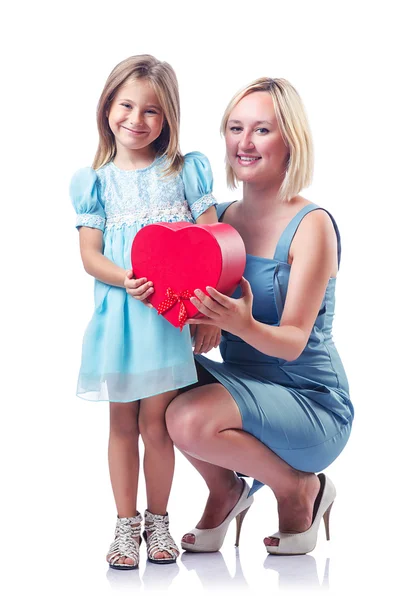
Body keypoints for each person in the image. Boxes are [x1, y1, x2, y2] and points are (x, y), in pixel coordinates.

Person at [164, 77, 355, 556]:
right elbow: (188, 309)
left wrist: (239, 324)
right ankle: (228, 489)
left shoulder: (312, 226)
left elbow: (292, 341)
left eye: (262, 130)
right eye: (235, 128)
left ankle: (299, 488)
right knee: (152, 377)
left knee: (188, 419)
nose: (244, 143)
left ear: (290, 140)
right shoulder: (218, 220)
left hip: (311, 403)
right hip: (241, 390)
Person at [69, 54, 219, 569]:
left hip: (166, 318)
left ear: (169, 118)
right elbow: (90, 255)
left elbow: (213, 242)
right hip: (119, 317)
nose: (136, 119)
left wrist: (207, 314)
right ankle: (124, 524)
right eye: (126, 105)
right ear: (107, 105)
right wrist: (124, 279)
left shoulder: (184, 170)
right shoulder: (96, 180)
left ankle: (158, 521)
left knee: (156, 425)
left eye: (152, 111)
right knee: (120, 424)